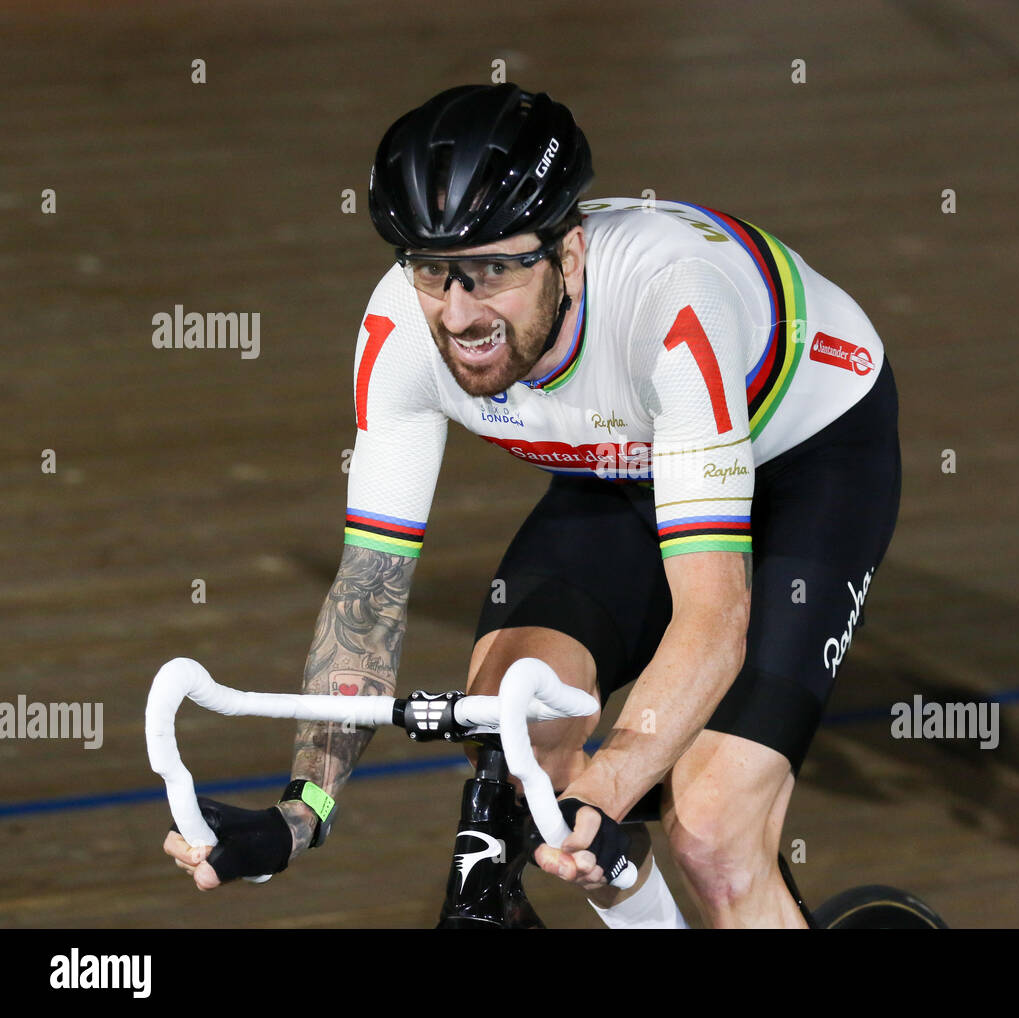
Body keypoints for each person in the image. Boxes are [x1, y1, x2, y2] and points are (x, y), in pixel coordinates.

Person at [164, 82, 901, 929]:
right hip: (629, 464)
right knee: (517, 731)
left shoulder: (673, 305)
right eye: (433, 271)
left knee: (711, 829)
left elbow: (714, 615)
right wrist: (302, 817)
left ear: (570, 256)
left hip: (808, 462)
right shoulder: (402, 330)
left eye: (496, 269)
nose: (460, 311)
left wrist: (619, 779)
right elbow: (368, 602)